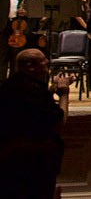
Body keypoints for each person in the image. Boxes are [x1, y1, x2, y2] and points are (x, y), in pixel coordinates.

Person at [0, 48, 74, 199]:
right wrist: (64, 93)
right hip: (36, 164)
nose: (47, 62)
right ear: (30, 67)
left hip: (8, 162)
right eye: (43, 60)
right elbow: (59, 123)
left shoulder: (7, 86)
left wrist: (51, 91)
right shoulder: (35, 92)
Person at [0, 0, 30, 81]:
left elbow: (32, 7)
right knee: (2, 56)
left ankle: (14, 83)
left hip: (19, 26)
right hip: (3, 25)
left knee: (16, 57)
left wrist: (25, 12)